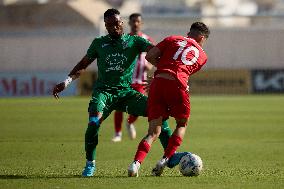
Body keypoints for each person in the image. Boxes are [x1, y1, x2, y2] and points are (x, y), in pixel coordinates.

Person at [52, 8, 182, 177]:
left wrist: (173, 74)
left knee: (160, 113)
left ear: (122, 22)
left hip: (126, 93)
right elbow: (83, 64)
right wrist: (66, 81)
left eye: (117, 23)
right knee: (93, 123)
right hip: (104, 93)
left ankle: (170, 156)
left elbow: (157, 52)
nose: (115, 27)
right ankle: (90, 164)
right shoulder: (99, 43)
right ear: (106, 26)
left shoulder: (134, 41)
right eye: (110, 25)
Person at [128, 22, 210, 177]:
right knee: (181, 123)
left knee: (153, 132)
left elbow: (150, 56)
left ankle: (135, 164)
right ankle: (165, 159)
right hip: (177, 85)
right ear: (201, 38)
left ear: (188, 32)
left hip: (158, 83)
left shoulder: (172, 38)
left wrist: (162, 71)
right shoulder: (203, 55)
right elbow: (183, 71)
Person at [112, 13, 154, 142]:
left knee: (139, 106)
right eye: (133, 21)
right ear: (129, 23)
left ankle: (130, 122)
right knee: (118, 107)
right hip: (124, 80)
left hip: (141, 80)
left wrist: (150, 65)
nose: (135, 23)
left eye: (138, 21)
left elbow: (154, 56)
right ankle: (117, 134)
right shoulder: (123, 39)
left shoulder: (147, 39)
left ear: (141, 23)